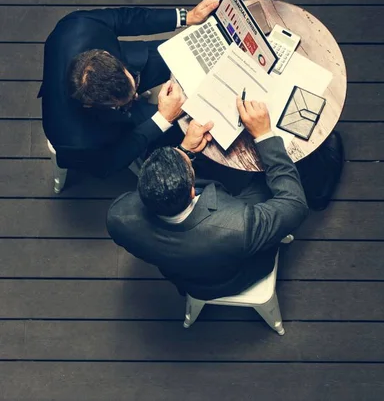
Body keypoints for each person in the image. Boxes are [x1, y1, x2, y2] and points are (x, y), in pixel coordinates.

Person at [106, 98, 309, 300]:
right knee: (268, 179)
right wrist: (264, 135)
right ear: (193, 191)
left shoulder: (118, 216)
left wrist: (185, 149)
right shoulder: (239, 226)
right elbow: (295, 204)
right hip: (233, 277)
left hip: (188, 279)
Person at [39, 0, 219, 178]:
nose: (137, 96)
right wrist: (163, 119)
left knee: (187, 51)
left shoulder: (79, 25)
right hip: (110, 129)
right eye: (130, 99)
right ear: (89, 104)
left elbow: (124, 18)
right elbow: (110, 163)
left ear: (105, 54)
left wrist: (187, 17)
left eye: (134, 89)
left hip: (131, 62)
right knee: (185, 127)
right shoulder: (75, 141)